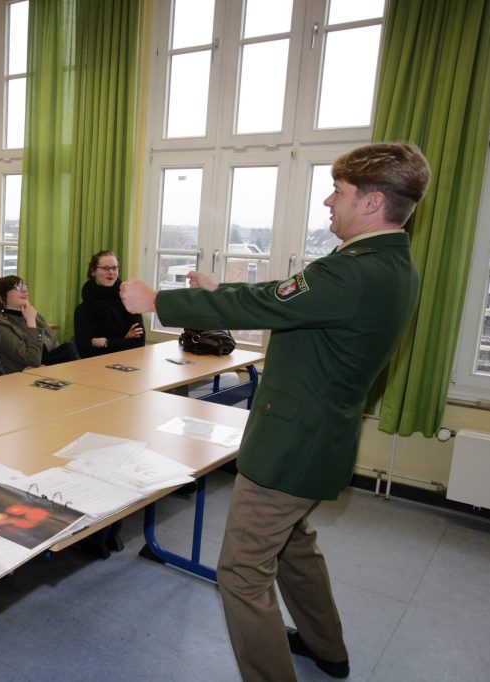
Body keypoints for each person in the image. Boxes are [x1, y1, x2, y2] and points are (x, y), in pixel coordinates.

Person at [120, 142, 431, 682]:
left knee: (241, 573)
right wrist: (223, 291)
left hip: (291, 443)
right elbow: (287, 298)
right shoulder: (390, 262)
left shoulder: (354, 271)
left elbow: (278, 299)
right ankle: (324, 645)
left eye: (341, 192)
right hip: (320, 437)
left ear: (373, 202)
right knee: (294, 546)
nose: (329, 202)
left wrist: (159, 302)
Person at [74, 250, 145, 358]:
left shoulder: (130, 302)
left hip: (128, 362)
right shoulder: (83, 310)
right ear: (93, 271)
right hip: (93, 367)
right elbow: (85, 350)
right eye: (105, 268)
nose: (111, 272)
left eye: (114, 268)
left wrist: (105, 342)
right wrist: (124, 340)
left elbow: (139, 343)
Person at [0, 275, 60, 372]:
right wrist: (31, 322)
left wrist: (47, 365)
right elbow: (33, 360)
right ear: (1, 298)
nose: (24, 290)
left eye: (24, 287)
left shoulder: (32, 314)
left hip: (48, 372)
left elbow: (57, 347)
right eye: (17, 288)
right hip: (20, 382)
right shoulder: (1, 326)